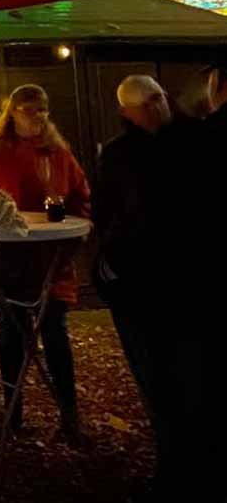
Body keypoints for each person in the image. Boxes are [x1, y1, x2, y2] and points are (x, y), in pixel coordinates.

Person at [0, 84, 90, 439]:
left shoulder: (57, 153)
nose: (39, 117)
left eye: (43, 110)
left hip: (50, 259)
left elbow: (80, 195)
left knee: (55, 334)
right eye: (31, 110)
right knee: (12, 336)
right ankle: (12, 413)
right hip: (10, 258)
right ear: (13, 113)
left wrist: (73, 234)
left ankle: (69, 417)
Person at [95, 75, 179, 491]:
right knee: (166, 373)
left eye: (159, 99)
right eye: (152, 101)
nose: (159, 107)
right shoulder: (191, 144)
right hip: (154, 278)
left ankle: (175, 465)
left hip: (146, 279)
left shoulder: (118, 155)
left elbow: (104, 211)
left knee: (159, 374)